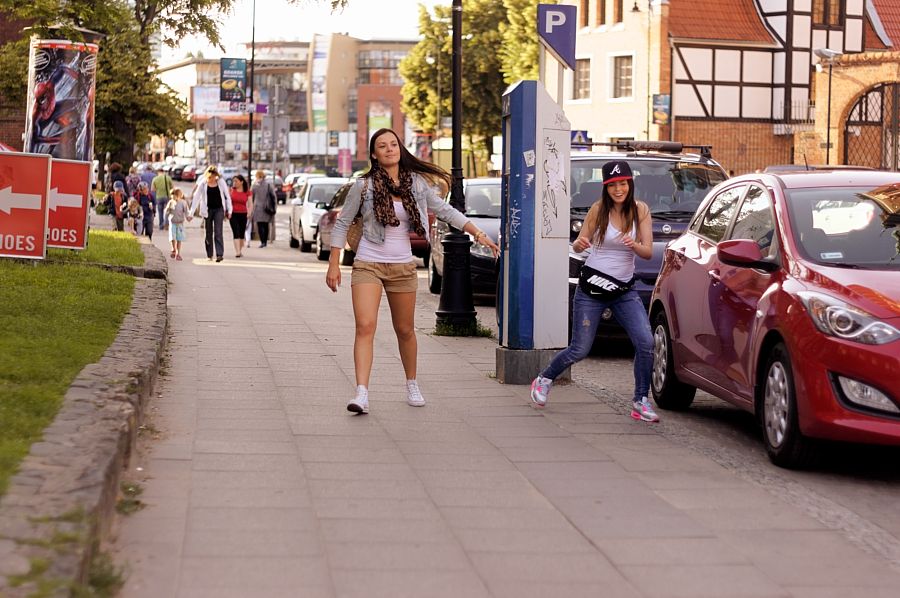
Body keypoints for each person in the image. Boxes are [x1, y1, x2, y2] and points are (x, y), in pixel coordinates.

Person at [326, 128, 500, 414]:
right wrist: (334, 262)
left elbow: (446, 211)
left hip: (403, 266)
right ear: (374, 154)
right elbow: (343, 223)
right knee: (365, 326)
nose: (389, 149)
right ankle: (362, 392)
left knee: (405, 329)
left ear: (400, 148)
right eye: (382, 146)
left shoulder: (416, 184)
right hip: (368, 262)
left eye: (393, 144)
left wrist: (478, 233)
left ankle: (411, 383)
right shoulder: (364, 186)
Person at [530, 161, 658, 422]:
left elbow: (647, 253)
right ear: (606, 187)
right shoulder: (598, 210)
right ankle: (543, 379)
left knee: (646, 342)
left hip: (623, 289)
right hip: (593, 289)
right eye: (613, 185)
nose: (618, 189)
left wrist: (633, 244)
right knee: (580, 348)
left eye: (623, 184)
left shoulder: (640, 210)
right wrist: (579, 243)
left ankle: (640, 400)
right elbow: (578, 248)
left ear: (630, 184)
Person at [190, 166, 233, 262]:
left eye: (213, 176)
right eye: (210, 177)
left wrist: (229, 210)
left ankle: (219, 254)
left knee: (218, 231)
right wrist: (191, 212)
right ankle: (209, 254)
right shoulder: (203, 183)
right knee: (208, 232)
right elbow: (196, 197)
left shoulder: (221, 182)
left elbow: (227, 196)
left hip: (219, 209)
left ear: (216, 175)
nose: (211, 179)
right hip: (207, 210)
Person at [250, 170, 276, 248]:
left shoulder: (254, 185)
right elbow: (273, 197)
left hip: (257, 208)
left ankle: (262, 242)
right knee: (266, 225)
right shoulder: (268, 185)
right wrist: (274, 207)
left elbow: (252, 197)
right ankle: (265, 241)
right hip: (267, 208)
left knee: (260, 225)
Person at [229, 174, 252, 257]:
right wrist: (227, 212)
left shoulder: (247, 192)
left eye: (236, 181)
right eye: (233, 181)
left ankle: (240, 250)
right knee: (236, 232)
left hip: (243, 214)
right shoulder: (231, 190)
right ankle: (237, 252)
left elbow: (250, 204)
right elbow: (227, 202)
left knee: (242, 234)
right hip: (233, 214)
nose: (234, 183)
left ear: (241, 182)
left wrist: (249, 212)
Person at [165, 188, 190, 261]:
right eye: (172, 196)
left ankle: (178, 253)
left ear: (179, 196)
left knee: (179, 238)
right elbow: (166, 212)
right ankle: (173, 249)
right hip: (172, 222)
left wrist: (188, 217)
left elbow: (186, 211)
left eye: (175, 196)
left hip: (180, 223)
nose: (173, 198)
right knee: (172, 237)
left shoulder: (183, 203)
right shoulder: (170, 202)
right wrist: (168, 208)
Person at [151, 166, 174, 230]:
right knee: (167, 211)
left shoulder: (155, 179)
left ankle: (161, 226)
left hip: (159, 197)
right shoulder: (168, 178)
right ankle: (166, 224)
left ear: (158, 172)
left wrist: (158, 189)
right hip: (167, 197)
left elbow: (152, 189)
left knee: (160, 212)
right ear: (163, 172)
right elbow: (172, 187)